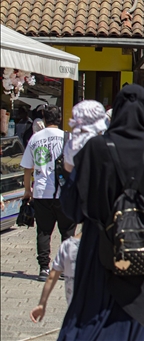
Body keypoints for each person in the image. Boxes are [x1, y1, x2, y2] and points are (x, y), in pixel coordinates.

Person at [59, 85, 144, 340]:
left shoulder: (95, 148)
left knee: (89, 314)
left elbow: (72, 207)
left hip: (97, 247)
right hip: (137, 248)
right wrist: (143, 221)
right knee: (131, 318)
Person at [21, 105, 75, 281]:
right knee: (67, 231)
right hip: (64, 192)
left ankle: (44, 268)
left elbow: (27, 168)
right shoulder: (68, 138)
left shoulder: (35, 138)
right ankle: (66, 268)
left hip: (41, 191)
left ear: (44, 119)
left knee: (44, 231)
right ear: (59, 119)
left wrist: (27, 190)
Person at [30, 231, 81, 323]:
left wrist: (42, 303)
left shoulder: (67, 245)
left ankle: (44, 268)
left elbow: (51, 277)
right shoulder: (104, 246)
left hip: (74, 310)